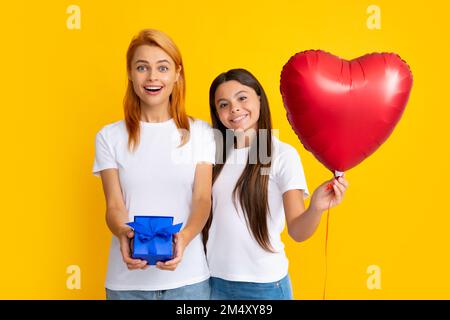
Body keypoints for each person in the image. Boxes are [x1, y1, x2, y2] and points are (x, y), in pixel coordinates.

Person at [204, 68, 349, 300]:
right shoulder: (213, 154)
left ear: (259, 98)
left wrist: (315, 208)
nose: (234, 109)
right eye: (223, 104)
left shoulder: (283, 155)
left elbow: (298, 231)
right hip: (213, 282)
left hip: (264, 288)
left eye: (242, 98)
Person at [93, 29, 215, 300]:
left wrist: (183, 238)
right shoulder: (109, 137)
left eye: (163, 67)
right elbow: (114, 205)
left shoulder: (202, 133)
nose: (152, 77)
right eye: (142, 67)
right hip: (127, 285)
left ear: (177, 74)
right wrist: (125, 233)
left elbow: (202, 199)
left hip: (189, 282)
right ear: (130, 73)